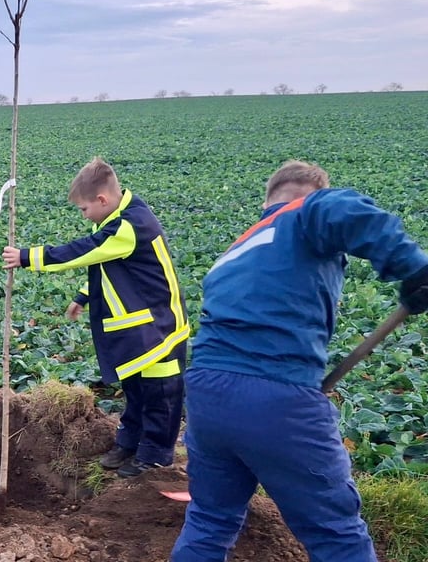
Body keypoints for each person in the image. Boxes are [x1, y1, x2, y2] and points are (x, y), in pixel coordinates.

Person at [171, 160, 428, 562]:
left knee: (210, 517)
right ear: (308, 194)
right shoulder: (305, 210)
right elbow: (342, 209)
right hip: (276, 395)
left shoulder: (236, 250)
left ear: (265, 202)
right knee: (336, 533)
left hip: (207, 393)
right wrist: (413, 268)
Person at [2, 156, 190, 478]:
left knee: (160, 395)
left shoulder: (130, 225)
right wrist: (84, 295)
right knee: (135, 389)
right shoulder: (115, 219)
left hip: (161, 329)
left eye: (84, 209)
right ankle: (129, 443)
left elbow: (85, 251)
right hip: (139, 328)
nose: (84, 215)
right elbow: (109, 264)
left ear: (102, 200)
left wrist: (27, 257)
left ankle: (155, 455)